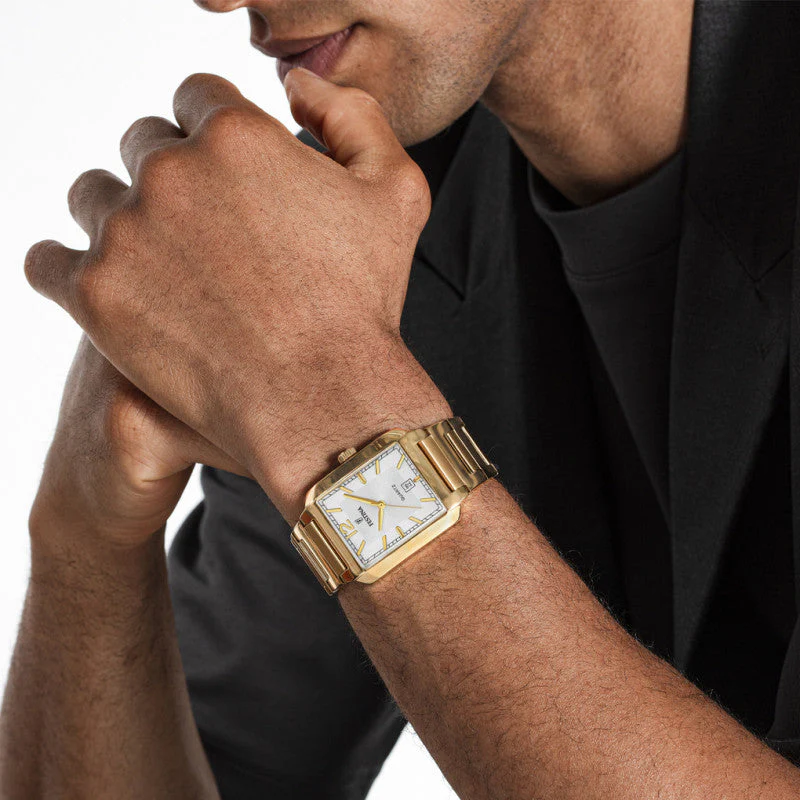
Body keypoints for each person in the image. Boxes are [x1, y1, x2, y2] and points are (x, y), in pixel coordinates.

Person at [3, 0, 800, 797]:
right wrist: (87, 535)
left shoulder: (322, 301)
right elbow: (214, 767)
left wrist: (333, 393)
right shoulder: (347, 223)